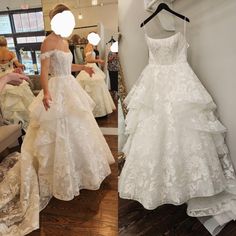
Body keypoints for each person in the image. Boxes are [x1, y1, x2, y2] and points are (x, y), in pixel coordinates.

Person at [0, 4, 115, 235]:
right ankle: (59, 178)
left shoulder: (64, 41)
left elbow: (65, 65)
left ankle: (81, 171)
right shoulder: (48, 41)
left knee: (79, 128)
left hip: (69, 86)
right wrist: (47, 93)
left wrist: (84, 66)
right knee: (57, 131)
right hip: (55, 89)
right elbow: (45, 72)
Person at [0, 36, 35, 129]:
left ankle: (11, 126)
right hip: (13, 76)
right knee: (23, 101)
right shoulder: (10, 53)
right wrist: (21, 66)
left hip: (2, 78)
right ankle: (26, 124)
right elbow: (18, 64)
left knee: (6, 103)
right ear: (6, 43)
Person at [76, 37, 116, 117]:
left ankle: (99, 110)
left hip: (93, 67)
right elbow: (88, 60)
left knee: (98, 87)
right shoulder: (89, 46)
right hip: (90, 67)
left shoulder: (90, 46)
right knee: (93, 87)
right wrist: (98, 60)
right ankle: (93, 110)